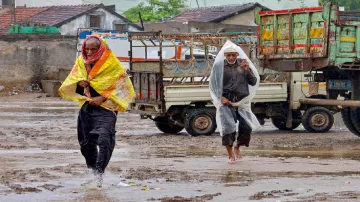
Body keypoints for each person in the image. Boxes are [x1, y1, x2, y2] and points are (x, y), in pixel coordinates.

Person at [58, 35, 135, 187]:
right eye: (87, 49)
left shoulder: (112, 64)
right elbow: (74, 82)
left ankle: (100, 172)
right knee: (86, 143)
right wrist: (81, 83)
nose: (90, 52)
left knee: (105, 139)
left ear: (100, 48)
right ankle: (92, 172)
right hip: (87, 107)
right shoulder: (81, 62)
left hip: (107, 108)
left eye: (94, 49)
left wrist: (102, 97)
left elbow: (122, 86)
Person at [209, 45, 258, 164]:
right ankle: (230, 154)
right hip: (226, 102)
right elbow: (213, 85)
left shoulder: (243, 64)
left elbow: (253, 82)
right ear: (224, 55)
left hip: (242, 102)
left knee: (246, 126)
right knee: (228, 128)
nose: (231, 57)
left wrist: (247, 69)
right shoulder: (219, 66)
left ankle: (238, 147)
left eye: (233, 55)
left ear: (237, 55)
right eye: (228, 55)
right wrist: (221, 98)